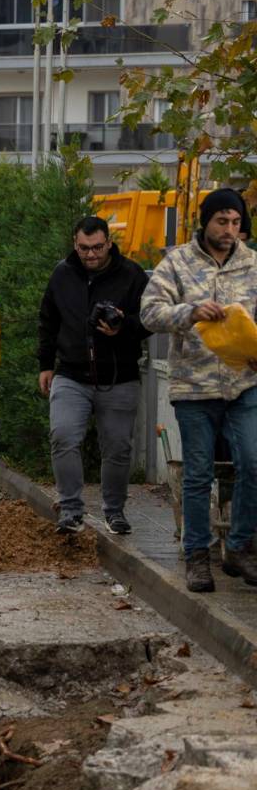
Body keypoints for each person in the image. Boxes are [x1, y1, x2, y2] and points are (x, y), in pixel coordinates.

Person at [140, 188, 257, 593]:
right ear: (205, 222)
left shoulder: (252, 264)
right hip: (194, 387)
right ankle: (197, 556)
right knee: (198, 474)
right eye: (222, 221)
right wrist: (189, 312)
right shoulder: (177, 263)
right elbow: (149, 313)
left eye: (236, 222)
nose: (229, 230)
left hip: (244, 384)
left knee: (253, 462)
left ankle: (239, 547)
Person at [38, 214, 150, 538]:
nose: (91, 254)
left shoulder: (132, 275)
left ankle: (114, 511)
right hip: (71, 373)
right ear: (75, 245)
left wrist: (123, 326)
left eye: (98, 247)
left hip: (119, 375)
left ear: (109, 243)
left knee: (117, 447)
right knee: (63, 436)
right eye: (84, 248)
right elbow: (47, 320)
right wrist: (45, 364)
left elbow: (151, 318)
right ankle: (71, 511)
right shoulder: (62, 274)